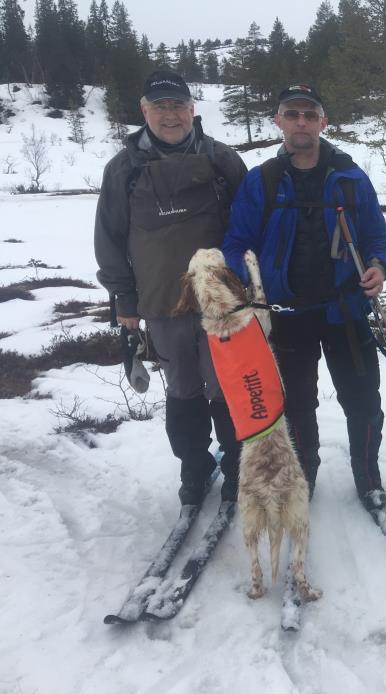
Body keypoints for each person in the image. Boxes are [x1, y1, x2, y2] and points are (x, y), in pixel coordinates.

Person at [222, 85, 386, 512]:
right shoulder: (261, 180)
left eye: (310, 114)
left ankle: (367, 473)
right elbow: (236, 242)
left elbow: (377, 235)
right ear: (278, 120)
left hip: (345, 312)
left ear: (323, 122)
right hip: (286, 315)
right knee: (296, 404)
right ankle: (304, 475)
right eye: (292, 113)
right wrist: (249, 282)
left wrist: (378, 265)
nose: (301, 122)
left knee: (363, 397)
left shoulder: (350, 178)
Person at [94, 68, 248, 506]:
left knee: (224, 386)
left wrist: (254, 288)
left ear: (192, 109)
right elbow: (109, 239)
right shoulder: (123, 169)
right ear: (144, 111)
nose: (170, 115)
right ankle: (194, 467)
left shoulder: (222, 160)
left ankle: (237, 464)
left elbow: (250, 226)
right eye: (159, 107)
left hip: (221, 302)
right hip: (161, 303)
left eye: (178, 105)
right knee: (182, 390)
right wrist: (124, 299)